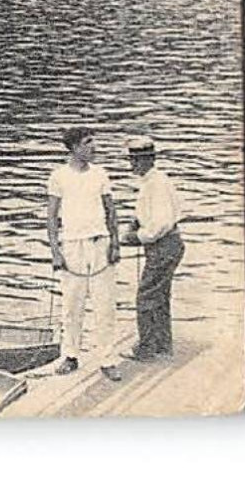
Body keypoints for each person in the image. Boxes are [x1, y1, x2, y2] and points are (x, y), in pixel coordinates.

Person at [46, 127, 123, 381]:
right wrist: (56, 252)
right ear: (74, 147)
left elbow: (111, 210)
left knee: (105, 304)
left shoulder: (100, 174)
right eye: (88, 143)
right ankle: (70, 356)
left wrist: (115, 244)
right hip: (72, 246)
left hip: (100, 244)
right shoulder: (59, 177)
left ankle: (108, 359)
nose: (94, 147)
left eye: (93, 142)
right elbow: (51, 218)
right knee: (71, 305)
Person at [122, 136, 185, 360]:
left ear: (149, 160)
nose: (132, 165)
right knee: (160, 296)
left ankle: (147, 348)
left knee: (146, 296)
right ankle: (162, 344)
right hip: (169, 244)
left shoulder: (155, 185)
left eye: (137, 160)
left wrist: (135, 237)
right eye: (132, 159)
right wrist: (137, 221)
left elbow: (159, 225)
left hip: (163, 245)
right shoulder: (155, 181)